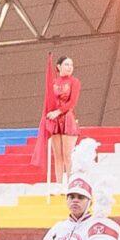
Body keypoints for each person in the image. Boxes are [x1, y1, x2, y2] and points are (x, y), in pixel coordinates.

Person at [42, 52, 82, 184]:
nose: (70, 67)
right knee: (58, 156)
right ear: (59, 67)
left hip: (67, 119)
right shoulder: (53, 83)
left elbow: (72, 102)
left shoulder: (74, 82)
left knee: (67, 155)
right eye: (66, 64)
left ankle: (71, 184)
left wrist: (58, 112)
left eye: (71, 65)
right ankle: (59, 185)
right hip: (55, 121)